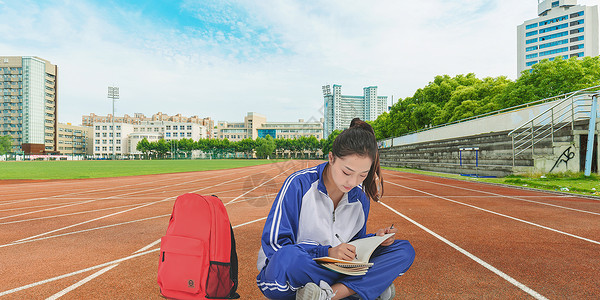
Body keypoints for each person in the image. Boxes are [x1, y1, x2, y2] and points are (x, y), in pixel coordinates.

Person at [256, 118, 415, 300]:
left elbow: (354, 247)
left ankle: (329, 294)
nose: (352, 182)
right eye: (347, 172)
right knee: (287, 257)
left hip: (337, 270)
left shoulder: (360, 199)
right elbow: (275, 246)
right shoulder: (299, 184)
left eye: (362, 175)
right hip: (293, 272)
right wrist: (327, 252)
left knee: (403, 250)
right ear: (331, 158)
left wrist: (375, 240)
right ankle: (360, 288)